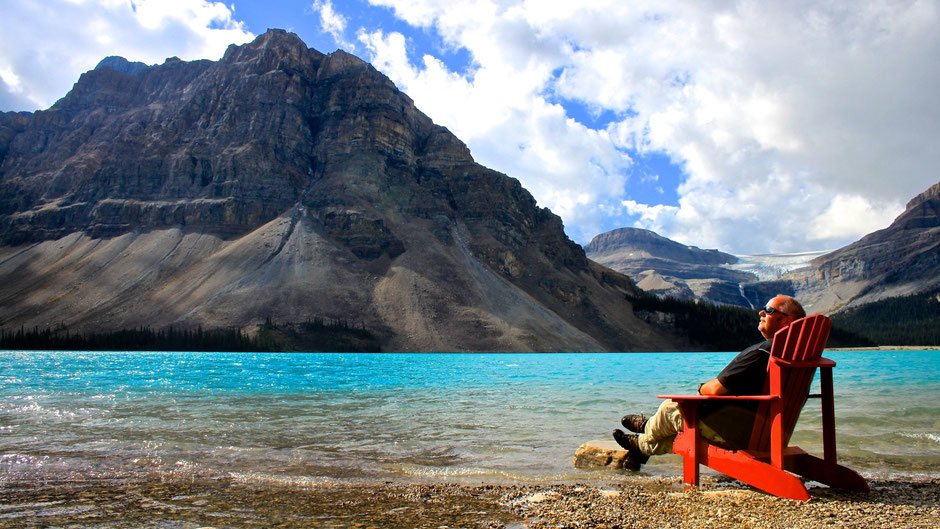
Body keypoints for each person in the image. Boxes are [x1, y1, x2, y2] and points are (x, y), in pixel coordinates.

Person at [613, 295, 806, 465]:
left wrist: (701, 387)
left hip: (735, 432)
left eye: (769, 310)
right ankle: (648, 431)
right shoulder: (798, 354)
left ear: (786, 322)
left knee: (671, 408)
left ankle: (642, 443)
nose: (761, 312)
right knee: (676, 430)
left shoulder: (763, 352)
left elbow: (713, 390)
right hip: (768, 433)